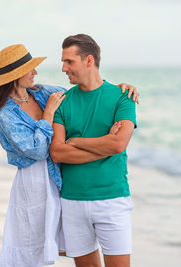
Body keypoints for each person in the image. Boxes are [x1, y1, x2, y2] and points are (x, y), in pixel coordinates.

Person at [0, 44, 139, 267]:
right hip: (34, 182)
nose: (35, 72)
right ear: (16, 76)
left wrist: (121, 89)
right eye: (30, 69)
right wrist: (48, 114)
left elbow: (86, 90)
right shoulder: (6, 115)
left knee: (48, 239)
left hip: (59, 179)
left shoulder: (43, 93)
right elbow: (40, 151)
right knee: (29, 242)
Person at [50, 34, 137, 267]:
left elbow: (118, 144)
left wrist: (76, 141)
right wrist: (105, 142)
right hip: (72, 201)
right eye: (63, 61)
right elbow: (57, 152)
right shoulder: (62, 102)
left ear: (89, 61)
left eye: (69, 62)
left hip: (113, 199)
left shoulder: (123, 97)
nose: (63, 68)